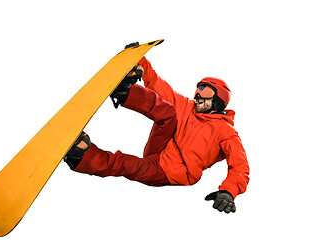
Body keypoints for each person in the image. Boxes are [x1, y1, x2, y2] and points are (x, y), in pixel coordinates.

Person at [63, 43, 250, 214]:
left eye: (206, 92)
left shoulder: (226, 132)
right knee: (168, 111)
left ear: (218, 101)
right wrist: (139, 59)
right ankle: (124, 91)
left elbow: (240, 166)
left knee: (126, 164)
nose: (198, 95)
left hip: (169, 172)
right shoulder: (187, 107)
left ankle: (80, 156)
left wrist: (228, 191)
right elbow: (159, 86)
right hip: (159, 149)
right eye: (198, 90)